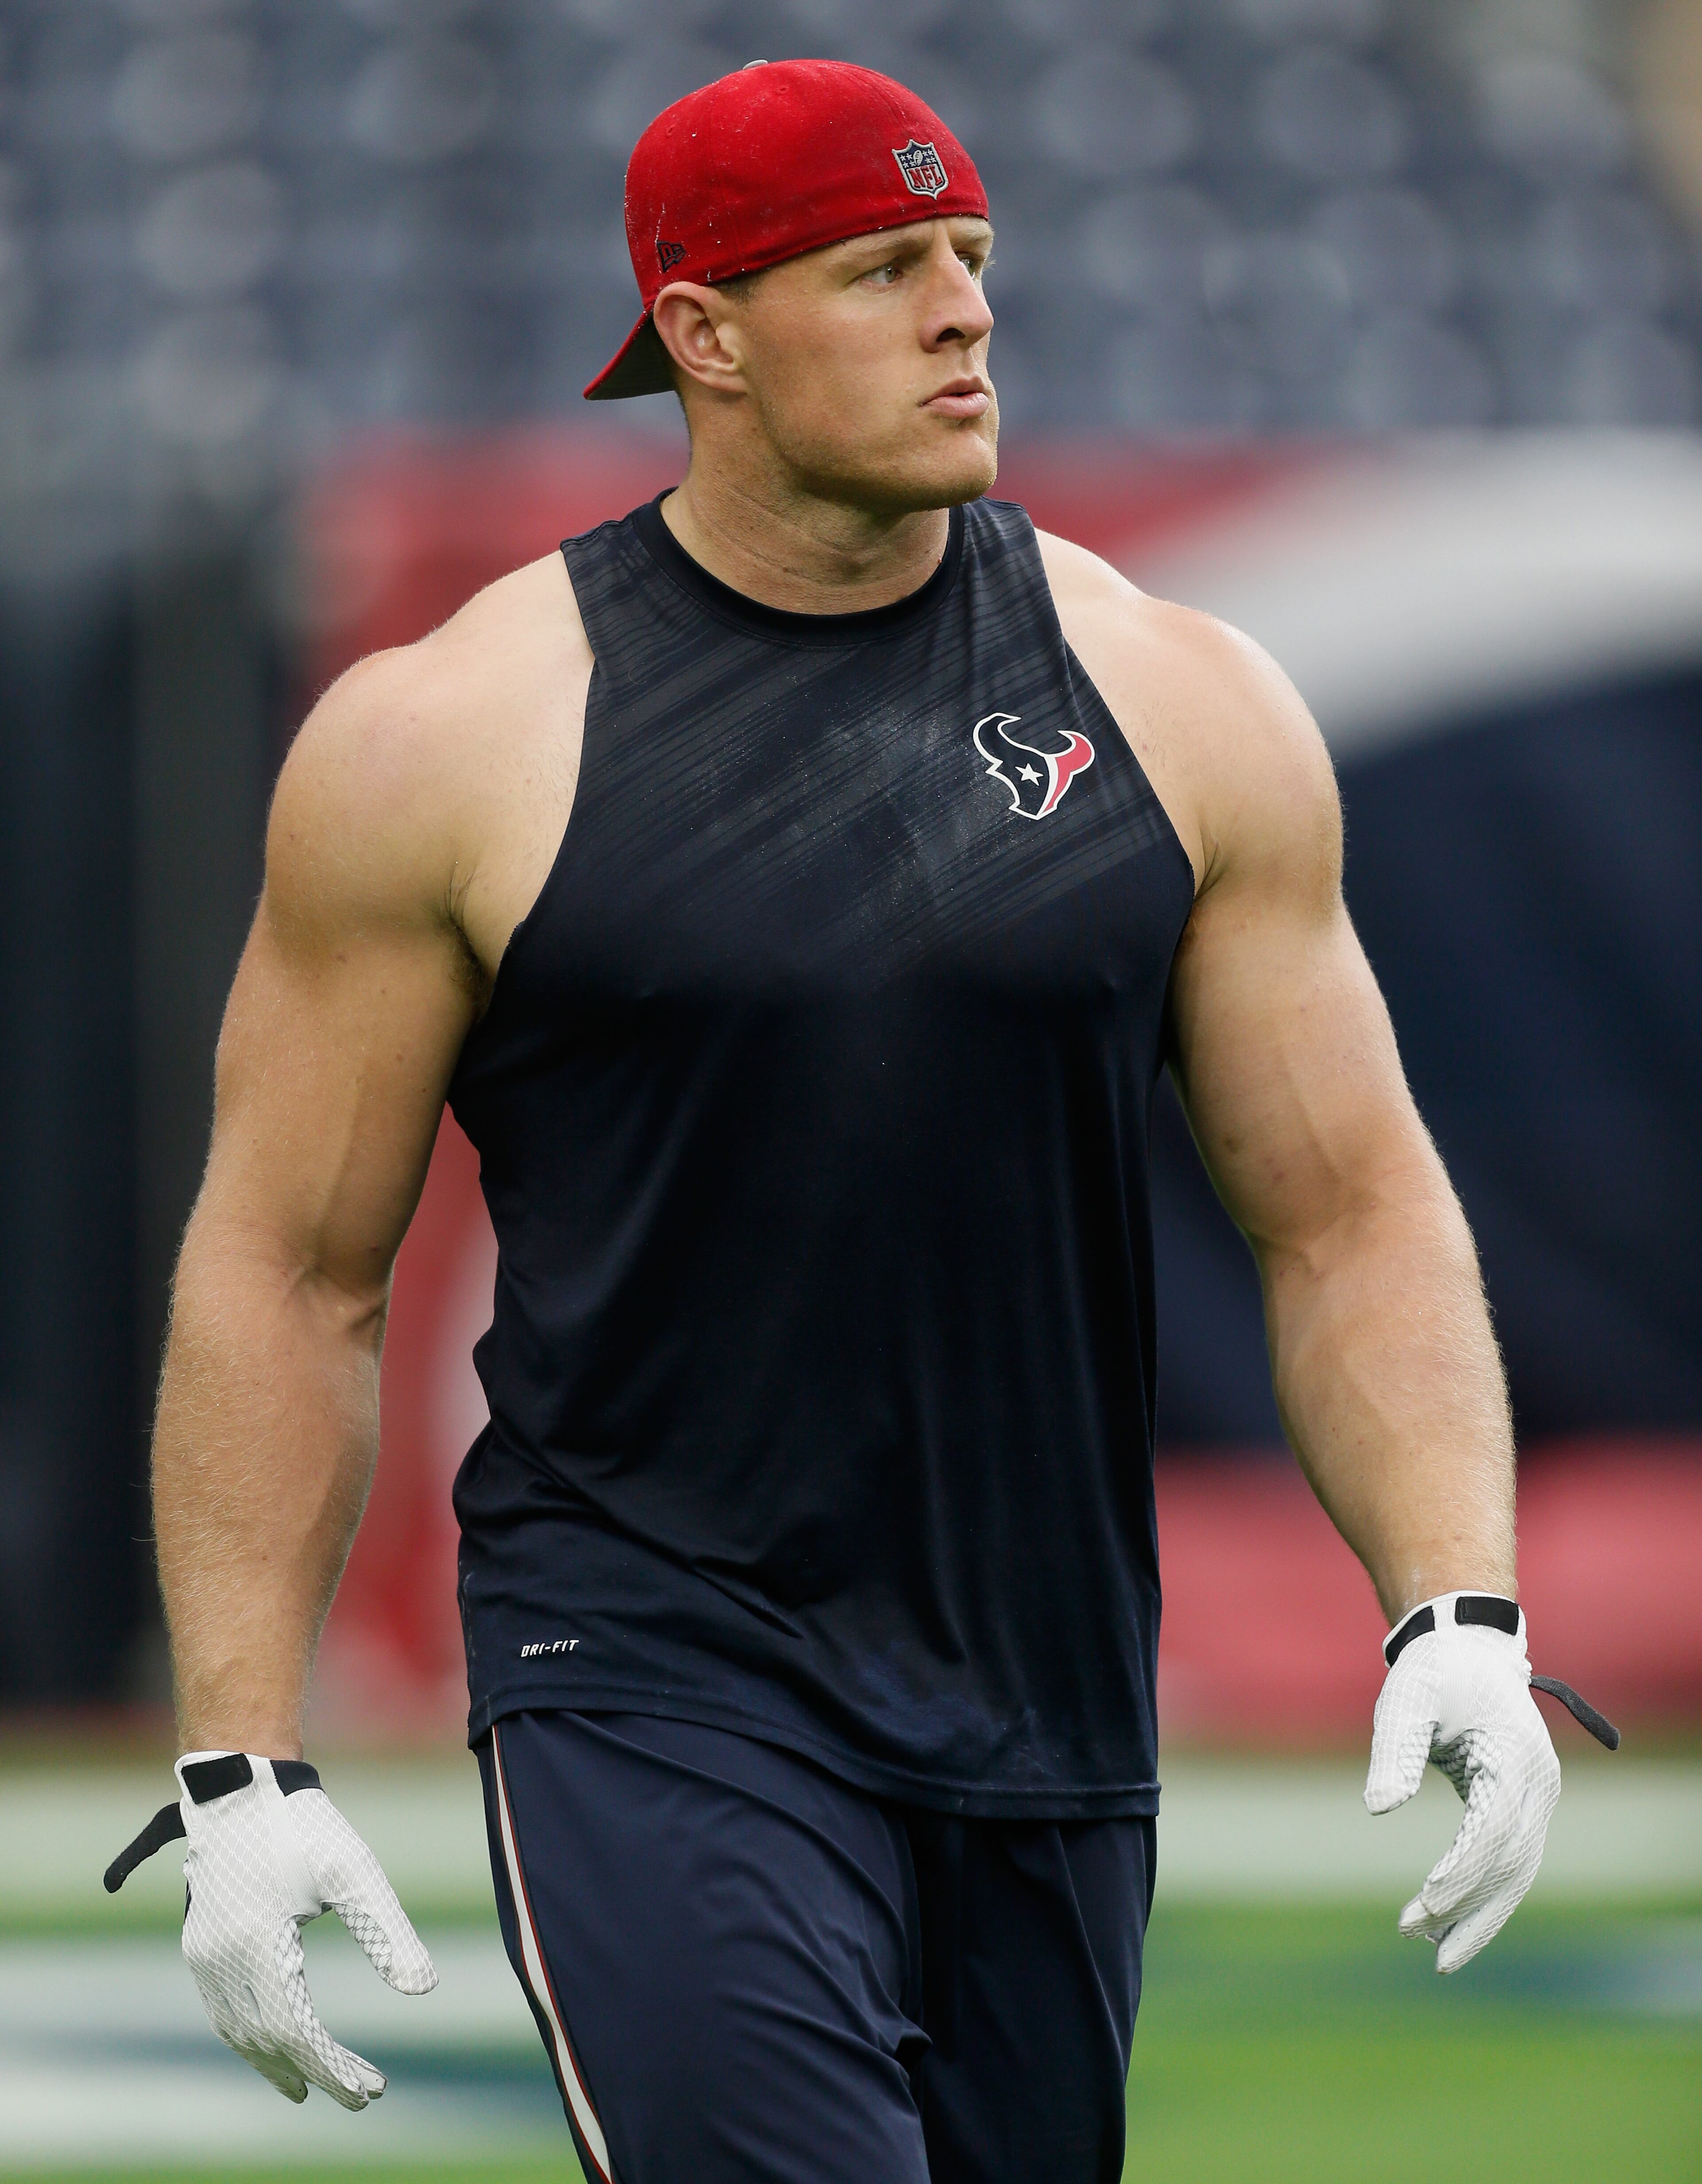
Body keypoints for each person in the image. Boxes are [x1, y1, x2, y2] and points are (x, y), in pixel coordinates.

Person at [107, 57, 1614, 2184]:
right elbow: (288, 1260)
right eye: (887, 266)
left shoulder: (1180, 693)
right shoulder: (451, 733)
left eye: (977, 259)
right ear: (702, 334)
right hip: (648, 1664)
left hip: (1051, 1685)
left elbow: (1352, 1209)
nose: (965, 313)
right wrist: (242, 1751)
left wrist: (1455, 1594)